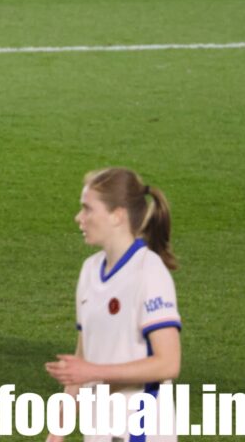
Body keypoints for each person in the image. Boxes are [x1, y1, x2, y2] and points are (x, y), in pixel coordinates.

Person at [45, 168, 181, 441]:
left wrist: (94, 373)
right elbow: (81, 361)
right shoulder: (90, 270)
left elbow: (168, 363)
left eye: (87, 209)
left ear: (117, 215)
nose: (78, 218)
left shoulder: (148, 272)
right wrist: (56, 435)